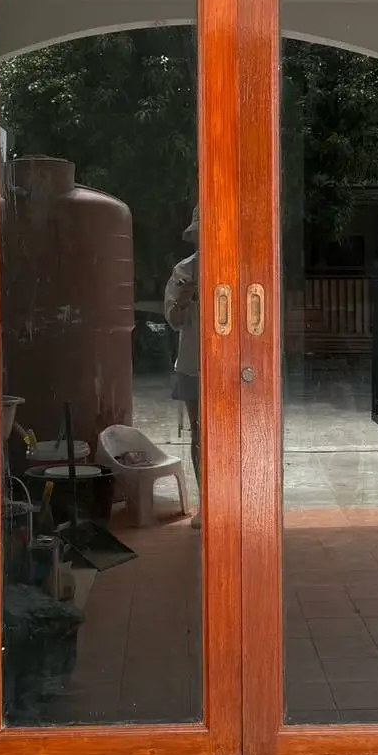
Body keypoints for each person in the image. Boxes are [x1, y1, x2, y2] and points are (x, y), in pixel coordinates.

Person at [164, 207, 201, 528]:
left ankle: (235, 502)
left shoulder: (236, 265)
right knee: (200, 433)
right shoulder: (184, 271)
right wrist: (185, 300)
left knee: (233, 434)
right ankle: (207, 503)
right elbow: (174, 322)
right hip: (192, 364)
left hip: (233, 366)